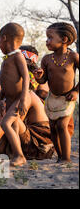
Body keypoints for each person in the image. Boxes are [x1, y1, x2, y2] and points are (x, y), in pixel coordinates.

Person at [34, 22, 78, 163]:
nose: (47, 41)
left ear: (64, 40)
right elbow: (43, 81)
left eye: (50, 38)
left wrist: (76, 91)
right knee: (53, 127)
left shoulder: (73, 57)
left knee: (62, 125)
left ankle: (66, 158)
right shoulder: (47, 59)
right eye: (46, 38)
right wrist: (38, 76)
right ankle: (59, 157)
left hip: (68, 98)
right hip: (52, 98)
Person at [0, 23, 31, 166]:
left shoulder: (18, 56)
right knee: (13, 127)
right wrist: (1, 98)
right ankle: (15, 153)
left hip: (20, 97)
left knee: (5, 123)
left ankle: (19, 155)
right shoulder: (7, 59)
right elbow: (5, 82)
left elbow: (26, 77)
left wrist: (24, 98)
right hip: (10, 98)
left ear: (4, 38)